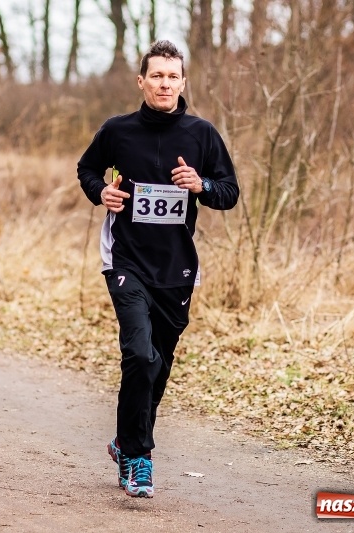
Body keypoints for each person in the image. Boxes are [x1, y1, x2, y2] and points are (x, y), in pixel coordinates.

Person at [77, 40, 239, 498]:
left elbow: (228, 192)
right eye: (157, 76)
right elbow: (87, 169)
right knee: (140, 355)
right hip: (126, 260)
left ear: (183, 82)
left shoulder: (201, 134)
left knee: (159, 366)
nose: (164, 83)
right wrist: (101, 193)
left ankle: (125, 439)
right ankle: (138, 459)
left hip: (177, 269)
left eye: (173, 76)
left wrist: (201, 184)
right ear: (142, 81)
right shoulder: (118, 130)